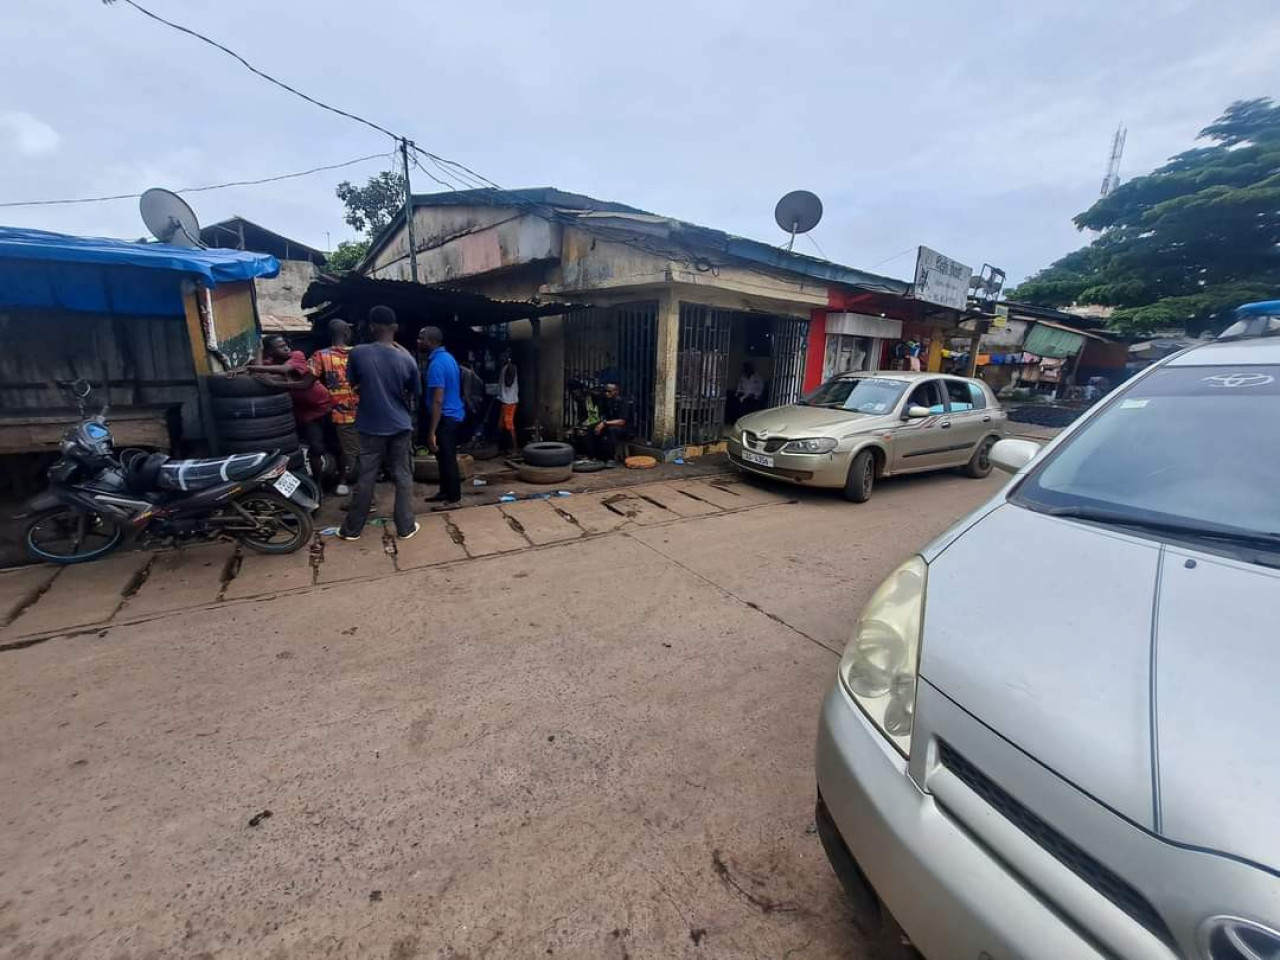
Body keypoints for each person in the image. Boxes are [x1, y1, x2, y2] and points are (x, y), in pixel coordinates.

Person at [337, 306, 421, 542]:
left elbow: (353, 383)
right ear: (395, 328)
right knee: (403, 476)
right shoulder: (407, 359)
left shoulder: (358, 353)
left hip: (370, 426)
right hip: (401, 425)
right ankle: (405, 527)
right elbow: (415, 391)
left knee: (367, 477)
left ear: (372, 326)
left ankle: (352, 530)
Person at [243, 335, 332, 482]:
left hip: (325, 408)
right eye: (280, 346)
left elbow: (284, 369)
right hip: (307, 416)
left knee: (337, 447)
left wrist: (252, 367)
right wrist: (259, 351)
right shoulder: (270, 363)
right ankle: (318, 485)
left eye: (285, 344)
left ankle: (342, 480)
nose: (286, 348)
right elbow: (259, 373)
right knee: (316, 449)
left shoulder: (297, 356)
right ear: (270, 352)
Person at [309, 319, 359, 496]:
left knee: (345, 450)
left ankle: (358, 494)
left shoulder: (320, 356)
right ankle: (348, 485)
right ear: (346, 333)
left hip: (338, 413)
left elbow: (307, 382)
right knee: (360, 453)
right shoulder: (359, 353)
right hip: (364, 411)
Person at [419, 325, 466, 509]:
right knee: (443, 457)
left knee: (447, 457)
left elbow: (438, 400)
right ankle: (444, 491)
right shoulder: (448, 358)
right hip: (452, 414)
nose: (418, 342)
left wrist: (431, 431)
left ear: (430, 341)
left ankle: (453, 498)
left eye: (421, 338)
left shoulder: (437, 364)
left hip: (446, 416)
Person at [589, 382, 635, 462]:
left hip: (625, 428)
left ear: (616, 391)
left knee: (612, 430)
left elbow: (622, 422)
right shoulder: (607, 401)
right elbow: (603, 416)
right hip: (610, 424)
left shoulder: (623, 402)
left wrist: (604, 423)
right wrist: (600, 424)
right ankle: (594, 456)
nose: (607, 393)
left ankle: (610, 458)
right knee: (591, 428)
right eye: (605, 391)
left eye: (609, 391)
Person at [497, 351, 519, 454]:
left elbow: (508, 383)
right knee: (501, 425)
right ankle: (502, 447)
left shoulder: (510, 368)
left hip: (509, 401)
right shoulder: (505, 369)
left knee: (509, 425)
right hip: (504, 400)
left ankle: (514, 448)